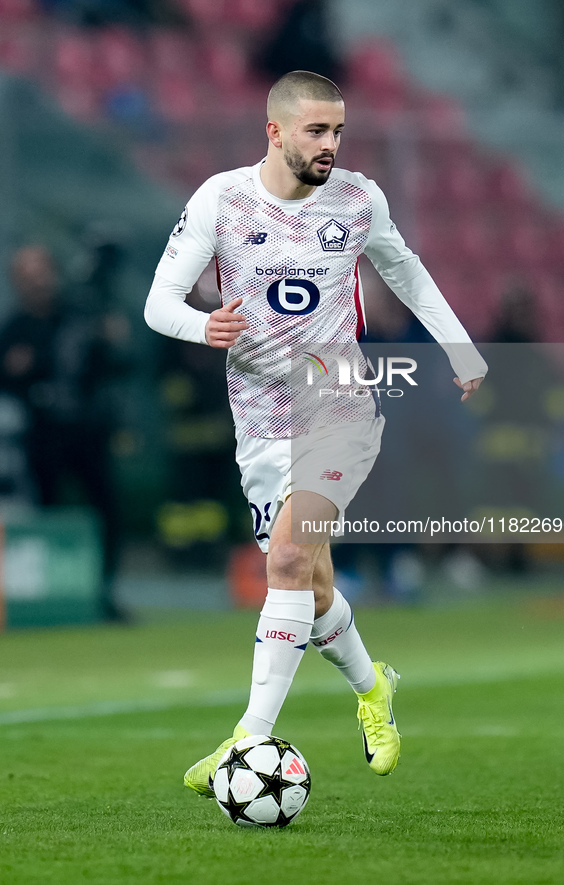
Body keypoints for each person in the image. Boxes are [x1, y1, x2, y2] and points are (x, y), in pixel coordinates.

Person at [144, 70, 487, 795]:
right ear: (273, 131)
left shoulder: (358, 199)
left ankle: (248, 739)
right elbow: (158, 304)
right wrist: (201, 325)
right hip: (259, 418)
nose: (331, 144)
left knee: (290, 563)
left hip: (338, 405)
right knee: (313, 583)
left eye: (337, 130)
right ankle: (373, 688)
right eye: (315, 131)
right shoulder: (223, 199)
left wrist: (459, 348)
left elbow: (408, 272)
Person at [0, 245, 126, 621]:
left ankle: (104, 591)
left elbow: (118, 367)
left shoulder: (79, 318)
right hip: (41, 436)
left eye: (41, 273)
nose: (37, 283)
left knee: (105, 511)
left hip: (87, 432)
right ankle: (47, 596)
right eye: (27, 276)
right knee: (44, 512)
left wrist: (113, 341)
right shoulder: (15, 329)